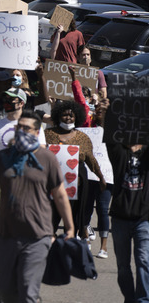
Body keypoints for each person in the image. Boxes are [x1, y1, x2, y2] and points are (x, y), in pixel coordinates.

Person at [0, 110, 74, 303]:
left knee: (28, 289)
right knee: (6, 290)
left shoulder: (47, 158)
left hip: (37, 236)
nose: (21, 131)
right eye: (18, 127)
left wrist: (69, 227)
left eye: (26, 128)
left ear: (37, 132)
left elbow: (59, 195)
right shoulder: (3, 158)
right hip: (6, 235)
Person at [45, 100, 106, 239]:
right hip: (51, 185)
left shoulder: (82, 138)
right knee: (49, 220)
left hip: (75, 185)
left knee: (72, 220)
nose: (68, 118)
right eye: (65, 115)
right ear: (58, 116)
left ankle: (69, 248)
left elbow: (91, 160)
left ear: (76, 117)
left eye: (71, 116)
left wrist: (101, 178)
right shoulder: (48, 134)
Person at [107, 142, 149, 303]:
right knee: (123, 265)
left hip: (143, 218)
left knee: (143, 260)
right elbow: (110, 135)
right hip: (120, 217)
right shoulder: (119, 152)